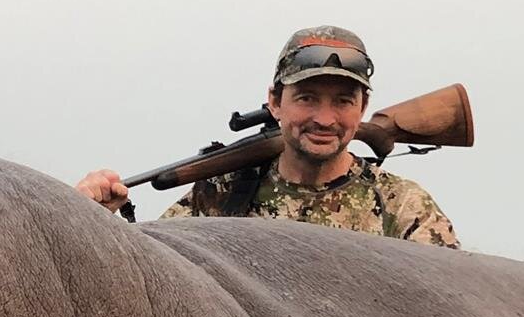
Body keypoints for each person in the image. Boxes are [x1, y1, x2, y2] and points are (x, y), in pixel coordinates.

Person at [75, 26, 460, 247]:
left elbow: (452, 306)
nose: (325, 119)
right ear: (274, 102)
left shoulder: (402, 204)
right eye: (307, 98)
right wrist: (96, 221)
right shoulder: (221, 194)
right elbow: (154, 273)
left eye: (343, 101)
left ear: (363, 109)